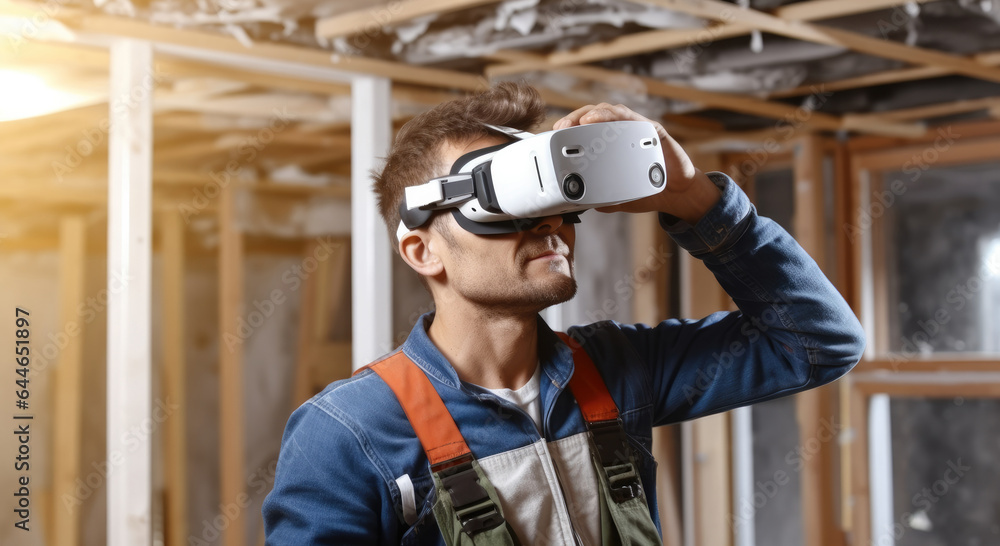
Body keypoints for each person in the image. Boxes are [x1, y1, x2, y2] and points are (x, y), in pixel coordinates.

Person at [261, 82, 865, 545]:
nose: (550, 223)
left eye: (549, 198)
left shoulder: (617, 370)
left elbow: (818, 343)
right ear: (423, 250)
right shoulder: (346, 433)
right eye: (504, 201)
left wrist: (693, 199)